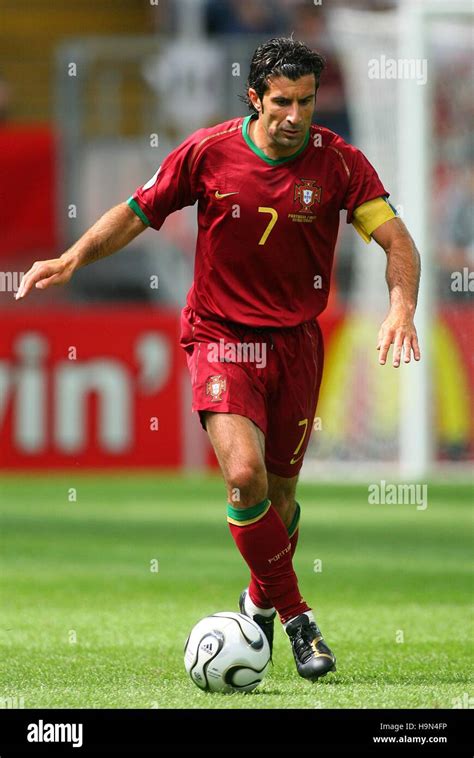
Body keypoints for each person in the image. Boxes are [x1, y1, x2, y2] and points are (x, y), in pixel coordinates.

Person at [15, 37, 421, 682]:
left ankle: (257, 600)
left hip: (297, 344)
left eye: (307, 102)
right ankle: (297, 619)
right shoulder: (208, 151)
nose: (295, 115)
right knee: (244, 476)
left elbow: (398, 241)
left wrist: (401, 307)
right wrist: (72, 258)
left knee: (281, 496)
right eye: (283, 101)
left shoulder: (340, 163)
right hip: (221, 336)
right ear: (255, 97)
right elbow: (137, 212)